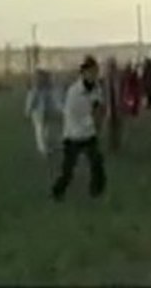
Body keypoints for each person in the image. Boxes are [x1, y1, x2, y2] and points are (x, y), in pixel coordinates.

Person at [51, 56, 106, 200]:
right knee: (68, 170)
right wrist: (93, 119)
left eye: (96, 72)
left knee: (97, 163)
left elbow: (98, 105)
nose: (94, 75)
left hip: (89, 134)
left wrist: (98, 117)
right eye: (91, 72)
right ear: (83, 73)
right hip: (73, 136)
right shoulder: (74, 92)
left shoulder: (97, 88)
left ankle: (97, 191)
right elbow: (73, 115)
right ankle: (57, 192)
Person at [24, 69, 58, 157]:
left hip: (46, 112)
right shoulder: (34, 90)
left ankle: (46, 146)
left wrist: (54, 108)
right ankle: (42, 148)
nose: (43, 79)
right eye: (41, 78)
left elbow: (51, 99)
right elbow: (30, 102)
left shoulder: (46, 89)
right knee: (40, 131)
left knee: (46, 130)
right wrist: (28, 111)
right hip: (38, 114)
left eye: (44, 78)